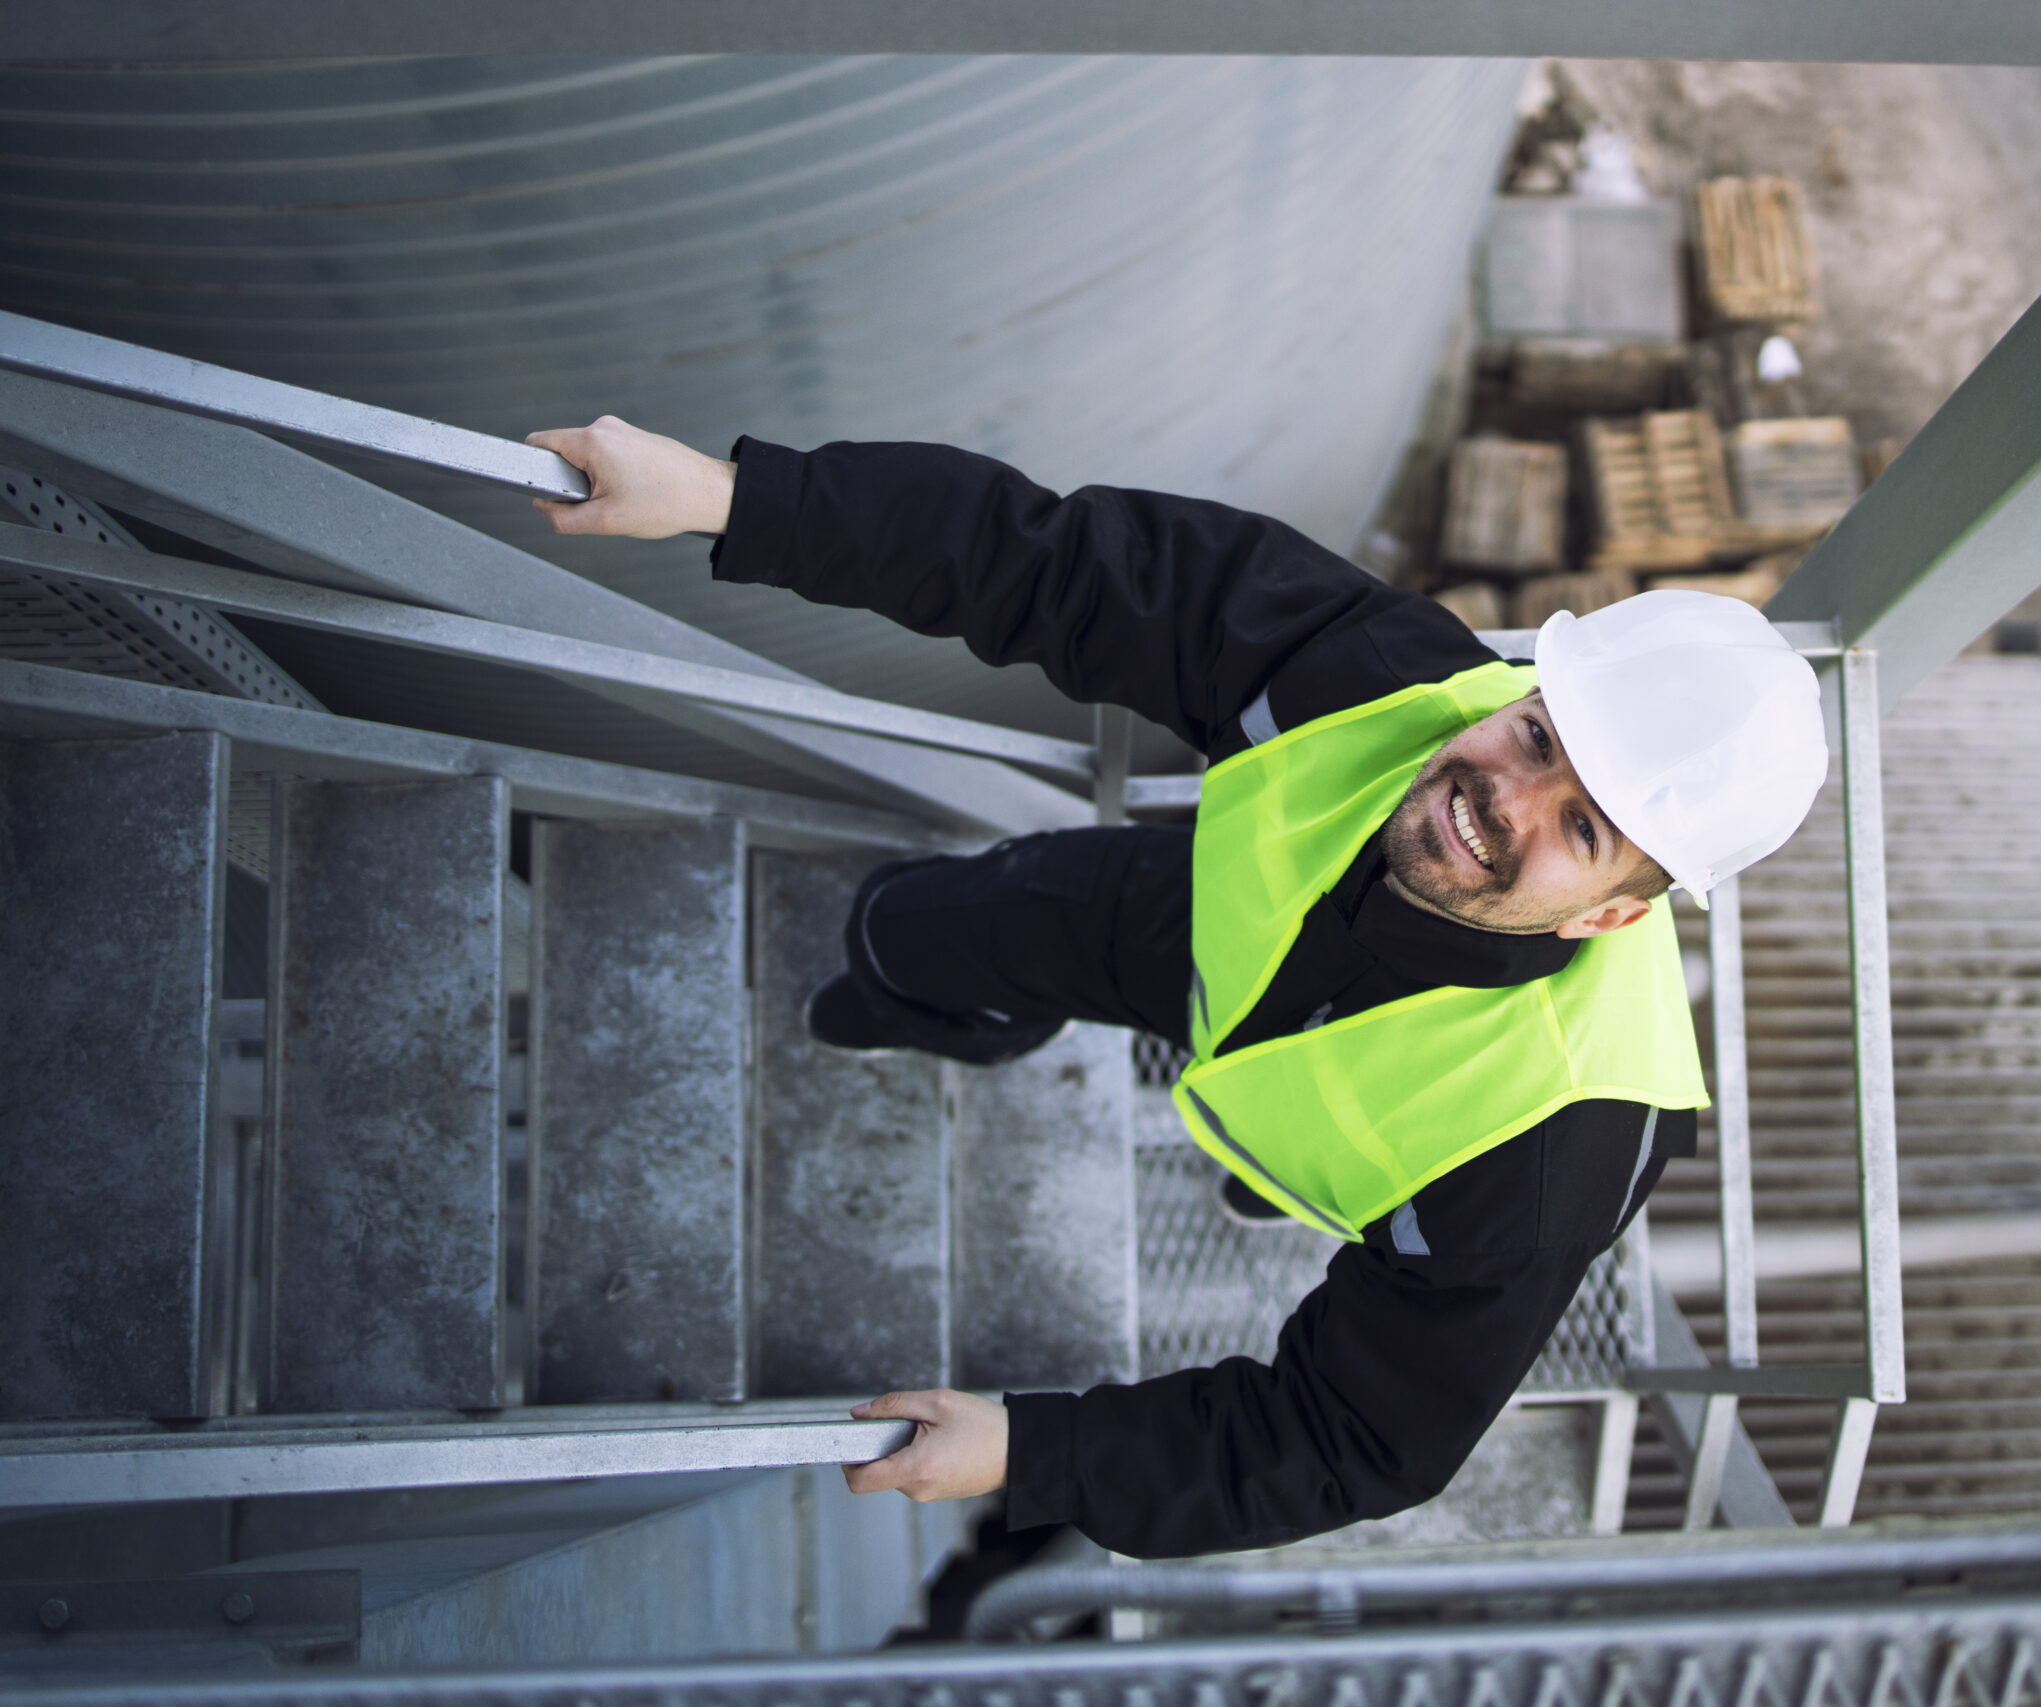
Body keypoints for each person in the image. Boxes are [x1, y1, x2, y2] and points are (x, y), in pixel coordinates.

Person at [527, 416, 1828, 1558]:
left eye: (1584, 826)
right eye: (1539, 736)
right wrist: (727, 496)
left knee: (1292, 1160)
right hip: (1215, 936)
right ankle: (938, 1004)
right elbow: (1048, 560)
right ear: (1523, 691)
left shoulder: (1538, 1165)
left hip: (1375, 1135)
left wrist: (1035, 1454)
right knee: (918, 925)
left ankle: (1264, 1170)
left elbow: (1356, 1437)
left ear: (1612, 911)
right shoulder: (1375, 673)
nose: (1506, 796)